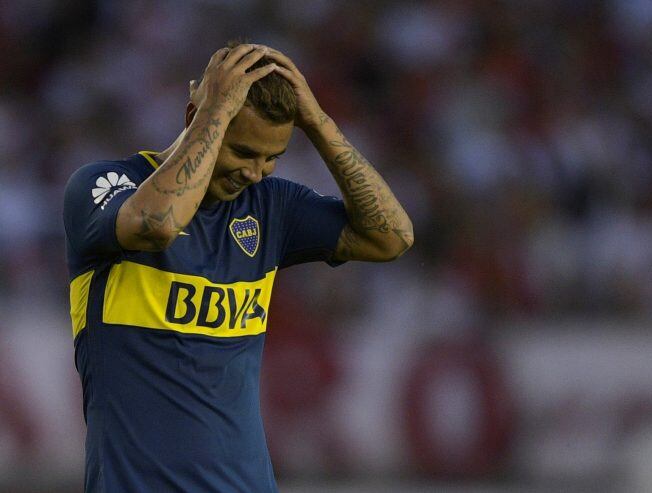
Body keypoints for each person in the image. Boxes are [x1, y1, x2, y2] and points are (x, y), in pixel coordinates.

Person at [62, 43, 413, 492]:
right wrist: (215, 112)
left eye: (272, 158)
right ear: (195, 118)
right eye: (244, 152)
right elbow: (158, 224)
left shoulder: (272, 208)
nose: (256, 172)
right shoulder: (105, 185)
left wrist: (318, 123)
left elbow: (391, 237)